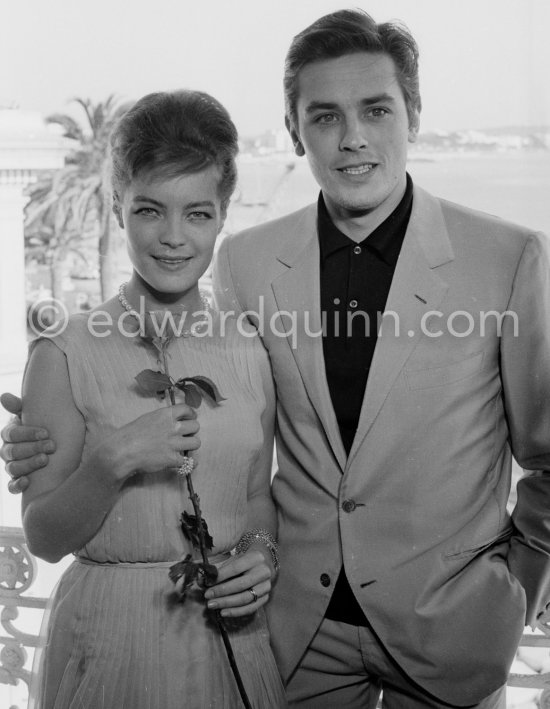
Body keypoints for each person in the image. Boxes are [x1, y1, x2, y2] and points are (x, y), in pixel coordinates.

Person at [3, 8, 550, 709]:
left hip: (452, 635)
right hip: (291, 637)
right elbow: (230, 418)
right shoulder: (248, 263)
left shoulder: (507, 258)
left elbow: (546, 458)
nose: (352, 138)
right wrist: (57, 433)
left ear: (413, 113)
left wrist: (516, 592)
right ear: (295, 131)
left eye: (376, 110)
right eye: (324, 116)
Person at [1, 89, 287, 709]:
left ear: (223, 214)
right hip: (112, 645)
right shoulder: (64, 353)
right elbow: (45, 536)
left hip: (232, 642)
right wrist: (112, 459)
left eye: (199, 214)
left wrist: (262, 555)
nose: (174, 239)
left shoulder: (251, 351)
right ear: (117, 209)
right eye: (150, 211)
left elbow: (257, 496)